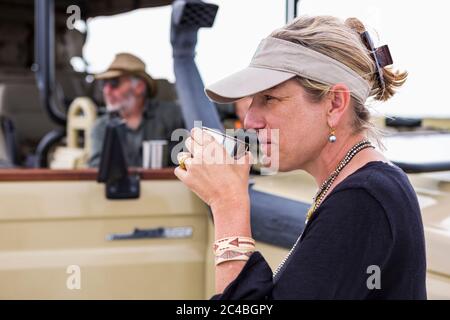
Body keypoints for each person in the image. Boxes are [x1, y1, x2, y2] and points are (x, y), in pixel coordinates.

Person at [174, 16, 426, 299]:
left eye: (269, 98)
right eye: (251, 101)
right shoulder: (363, 187)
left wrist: (228, 204)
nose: (250, 121)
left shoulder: (363, 199)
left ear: (335, 104)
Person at [89, 53, 184, 167]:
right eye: (104, 84)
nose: (106, 90)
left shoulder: (173, 116)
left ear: (139, 87)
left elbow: (185, 164)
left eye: (114, 83)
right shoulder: (101, 127)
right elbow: (95, 170)